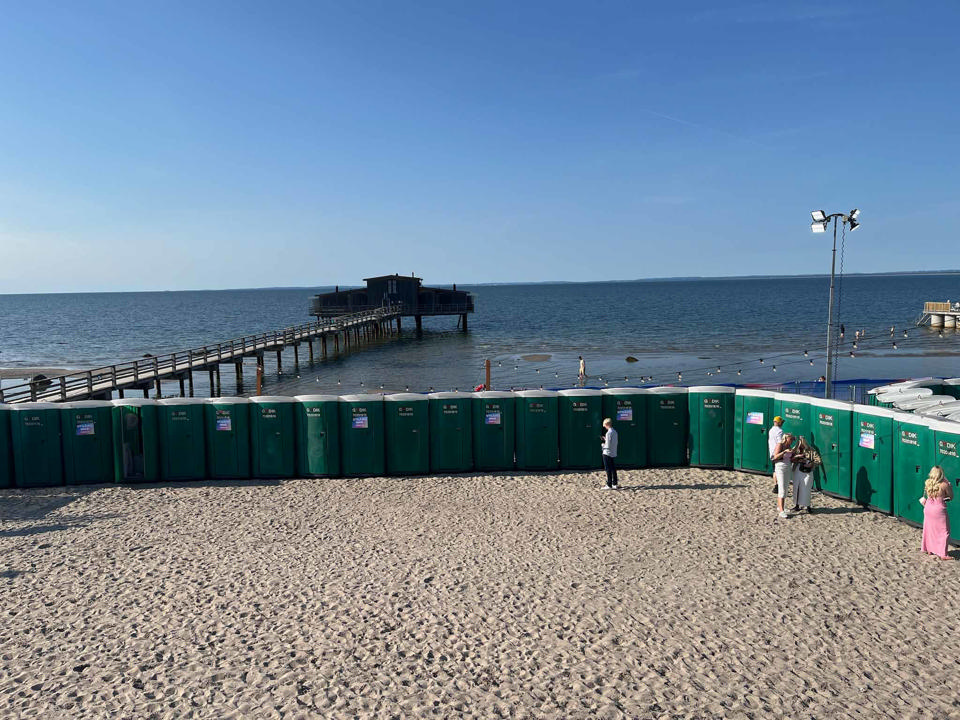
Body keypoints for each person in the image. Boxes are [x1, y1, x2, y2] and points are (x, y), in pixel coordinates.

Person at [920, 466, 954, 560]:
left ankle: (929, 549)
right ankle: (943, 554)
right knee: (944, 531)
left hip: (928, 508)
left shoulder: (928, 482)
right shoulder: (944, 485)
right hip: (939, 510)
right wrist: (949, 486)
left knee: (930, 529)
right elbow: (951, 497)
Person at [790, 436, 818, 513]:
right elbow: (790, 459)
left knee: (806, 488)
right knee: (797, 488)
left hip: (807, 470)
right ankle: (796, 505)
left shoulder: (811, 450)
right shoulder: (795, 449)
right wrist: (797, 457)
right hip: (797, 469)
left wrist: (811, 464)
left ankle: (807, 505)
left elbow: (818, 460)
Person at [772, 433, 794, 518]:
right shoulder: (780, 445)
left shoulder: (789, 447)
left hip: (788, 466)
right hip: (780, 467)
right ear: (786, 438)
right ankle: (781, 511)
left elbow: (790, 458)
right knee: (782, 488)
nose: (791, 441)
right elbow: (775, 457)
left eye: (792, 439)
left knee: (785, 487)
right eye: (790, 439)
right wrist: (784, 452)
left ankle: (781, 507)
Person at [600, 417, 618, 489]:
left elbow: (607, 445)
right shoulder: (614, 432)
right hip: (613, 452)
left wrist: (602, 445)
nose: (604, 426)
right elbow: (614, 442)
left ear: (607, 424)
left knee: (608, 469)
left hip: (607, 453)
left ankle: (609, 484)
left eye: (604, 425)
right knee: (613, 468)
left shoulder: (608, 433)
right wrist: (606, 439)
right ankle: (615, 483)